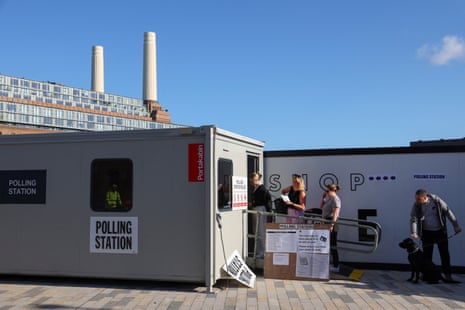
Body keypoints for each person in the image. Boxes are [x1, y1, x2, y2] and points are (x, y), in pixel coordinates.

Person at [410, 189, 462, 282]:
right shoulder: (417, 205)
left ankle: (447, 275)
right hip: (426, 233)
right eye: (416, 199)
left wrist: (456, 226)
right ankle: (426, 275)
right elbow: (414, 218)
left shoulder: (437, 201)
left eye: (418, 199)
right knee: (427, 256)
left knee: (444, 254)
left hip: (440, 232)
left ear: (425, 198)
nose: (416, 201)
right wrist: (414, 232)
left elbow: (448, 212)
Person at [249, 172, 272, 259]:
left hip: (260, 209)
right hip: (257, 209)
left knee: (261, 230)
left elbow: (266, 200)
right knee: (257, 230)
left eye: (254, 179)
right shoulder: (257, 188)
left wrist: (253, 204)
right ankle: (259, 251)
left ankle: (262, 252)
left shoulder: (262, 189)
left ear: (258, 179)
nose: (252, 181)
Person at [320, 184, 341, 272]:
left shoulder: (336, 199)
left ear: (333, 191)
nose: (327, 192)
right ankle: (331, 263)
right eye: (327, 191)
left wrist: (332, 225)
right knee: (327, 243)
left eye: (328, 191)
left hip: (331, 222)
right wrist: (323, 198)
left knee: (333, 244)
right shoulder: (330, 199)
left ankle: (336, 265)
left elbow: (335, 213)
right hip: (327, 222)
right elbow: (321, 207)